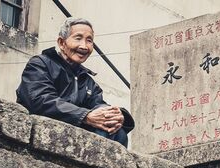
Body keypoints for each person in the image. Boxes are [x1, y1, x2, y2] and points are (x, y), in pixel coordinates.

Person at [16, 18, 134, 147]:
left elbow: (98, 106)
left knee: (116, 131)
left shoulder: (88, 82)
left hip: (73, 140)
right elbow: (39, 100)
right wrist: (85, 116)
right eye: (78, 38)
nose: (84, 46)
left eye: (89, 40)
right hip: (40, 135)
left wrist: (116, 116)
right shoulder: (40, 64)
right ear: (62, 43)